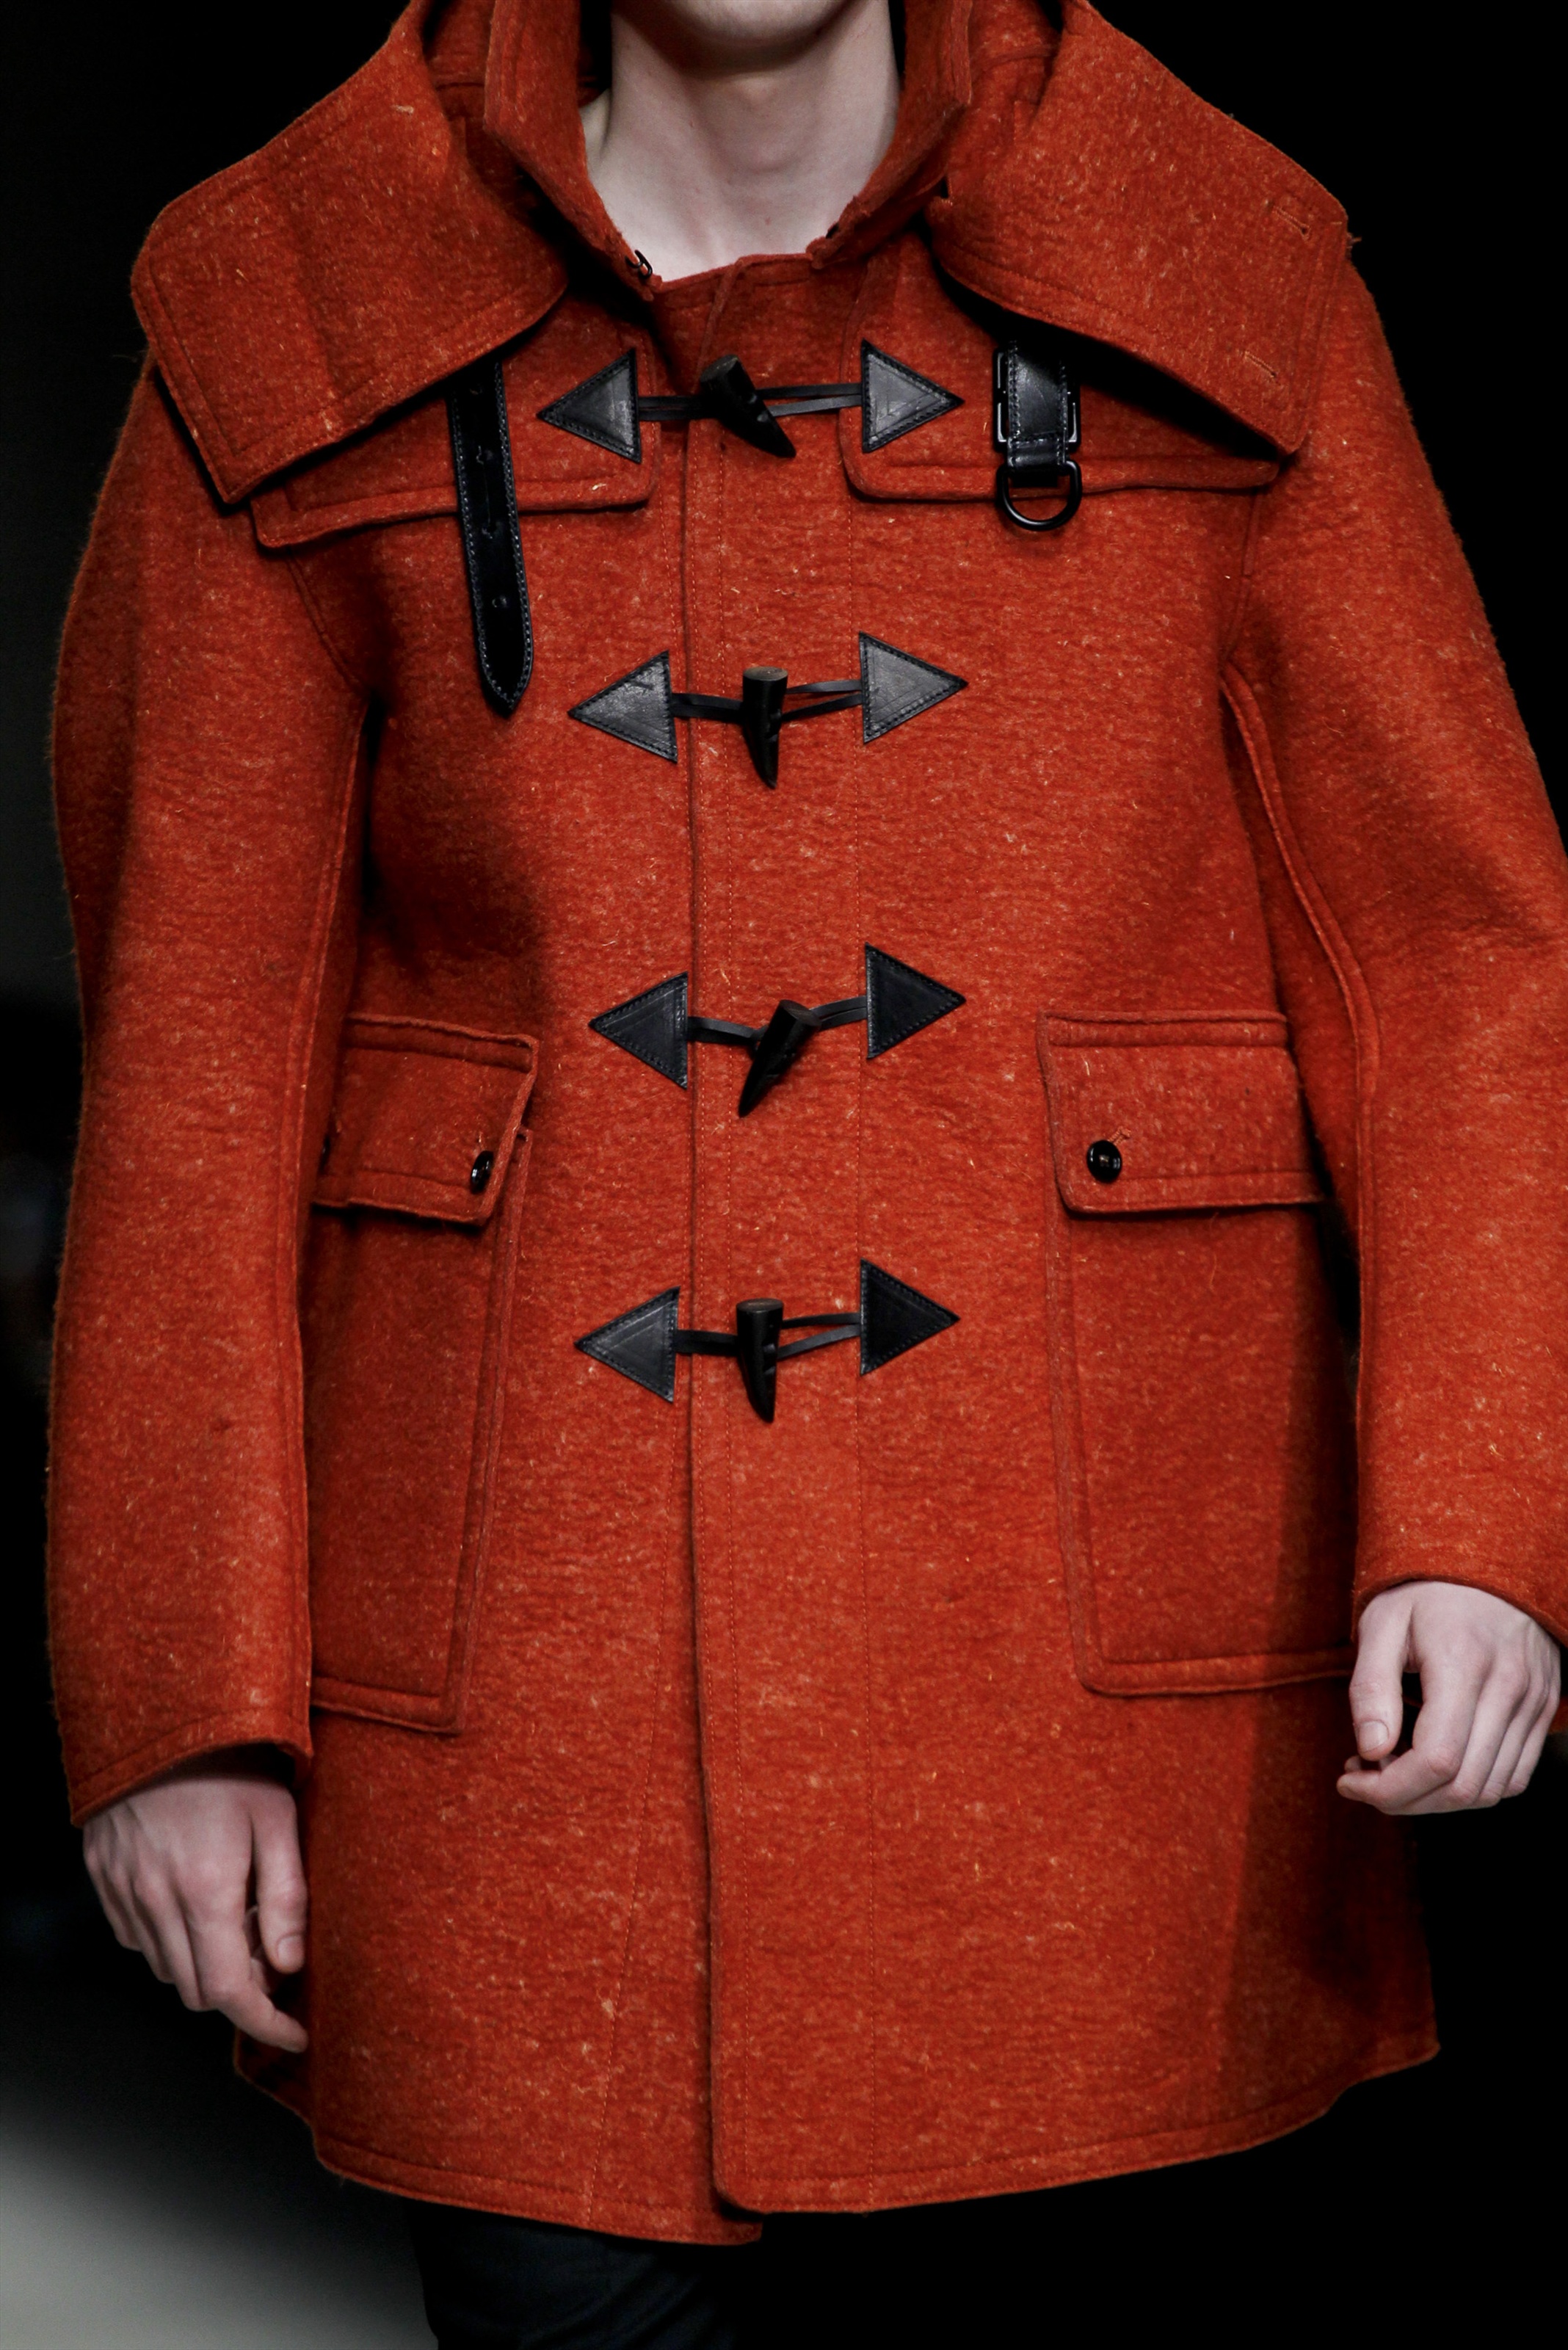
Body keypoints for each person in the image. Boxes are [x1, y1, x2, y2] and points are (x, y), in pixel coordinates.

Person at [49, 1, 1566, 2344]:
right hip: (517, 1732)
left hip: (1107, 1713)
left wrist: (1474, 1518)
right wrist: (182, 1698)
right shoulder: (298, 310)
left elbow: (1450, 952)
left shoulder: (1216, 274)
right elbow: (194, 1046)